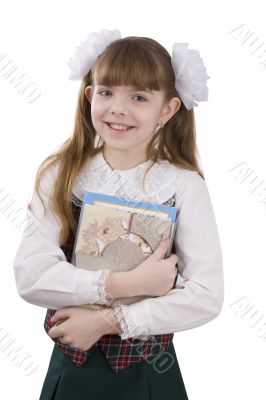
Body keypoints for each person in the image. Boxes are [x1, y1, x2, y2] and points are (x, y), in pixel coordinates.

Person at [13, 29, 224, 400]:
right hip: (71, 375)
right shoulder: (60, 175)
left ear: (168, 109)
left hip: (150, 376)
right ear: (90, 95)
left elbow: (206, 296)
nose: (118, 108)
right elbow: (31, 276)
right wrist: (131, 285)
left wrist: (107, 320)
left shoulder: (183, 186)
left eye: (139, 97)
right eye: (107, 91)